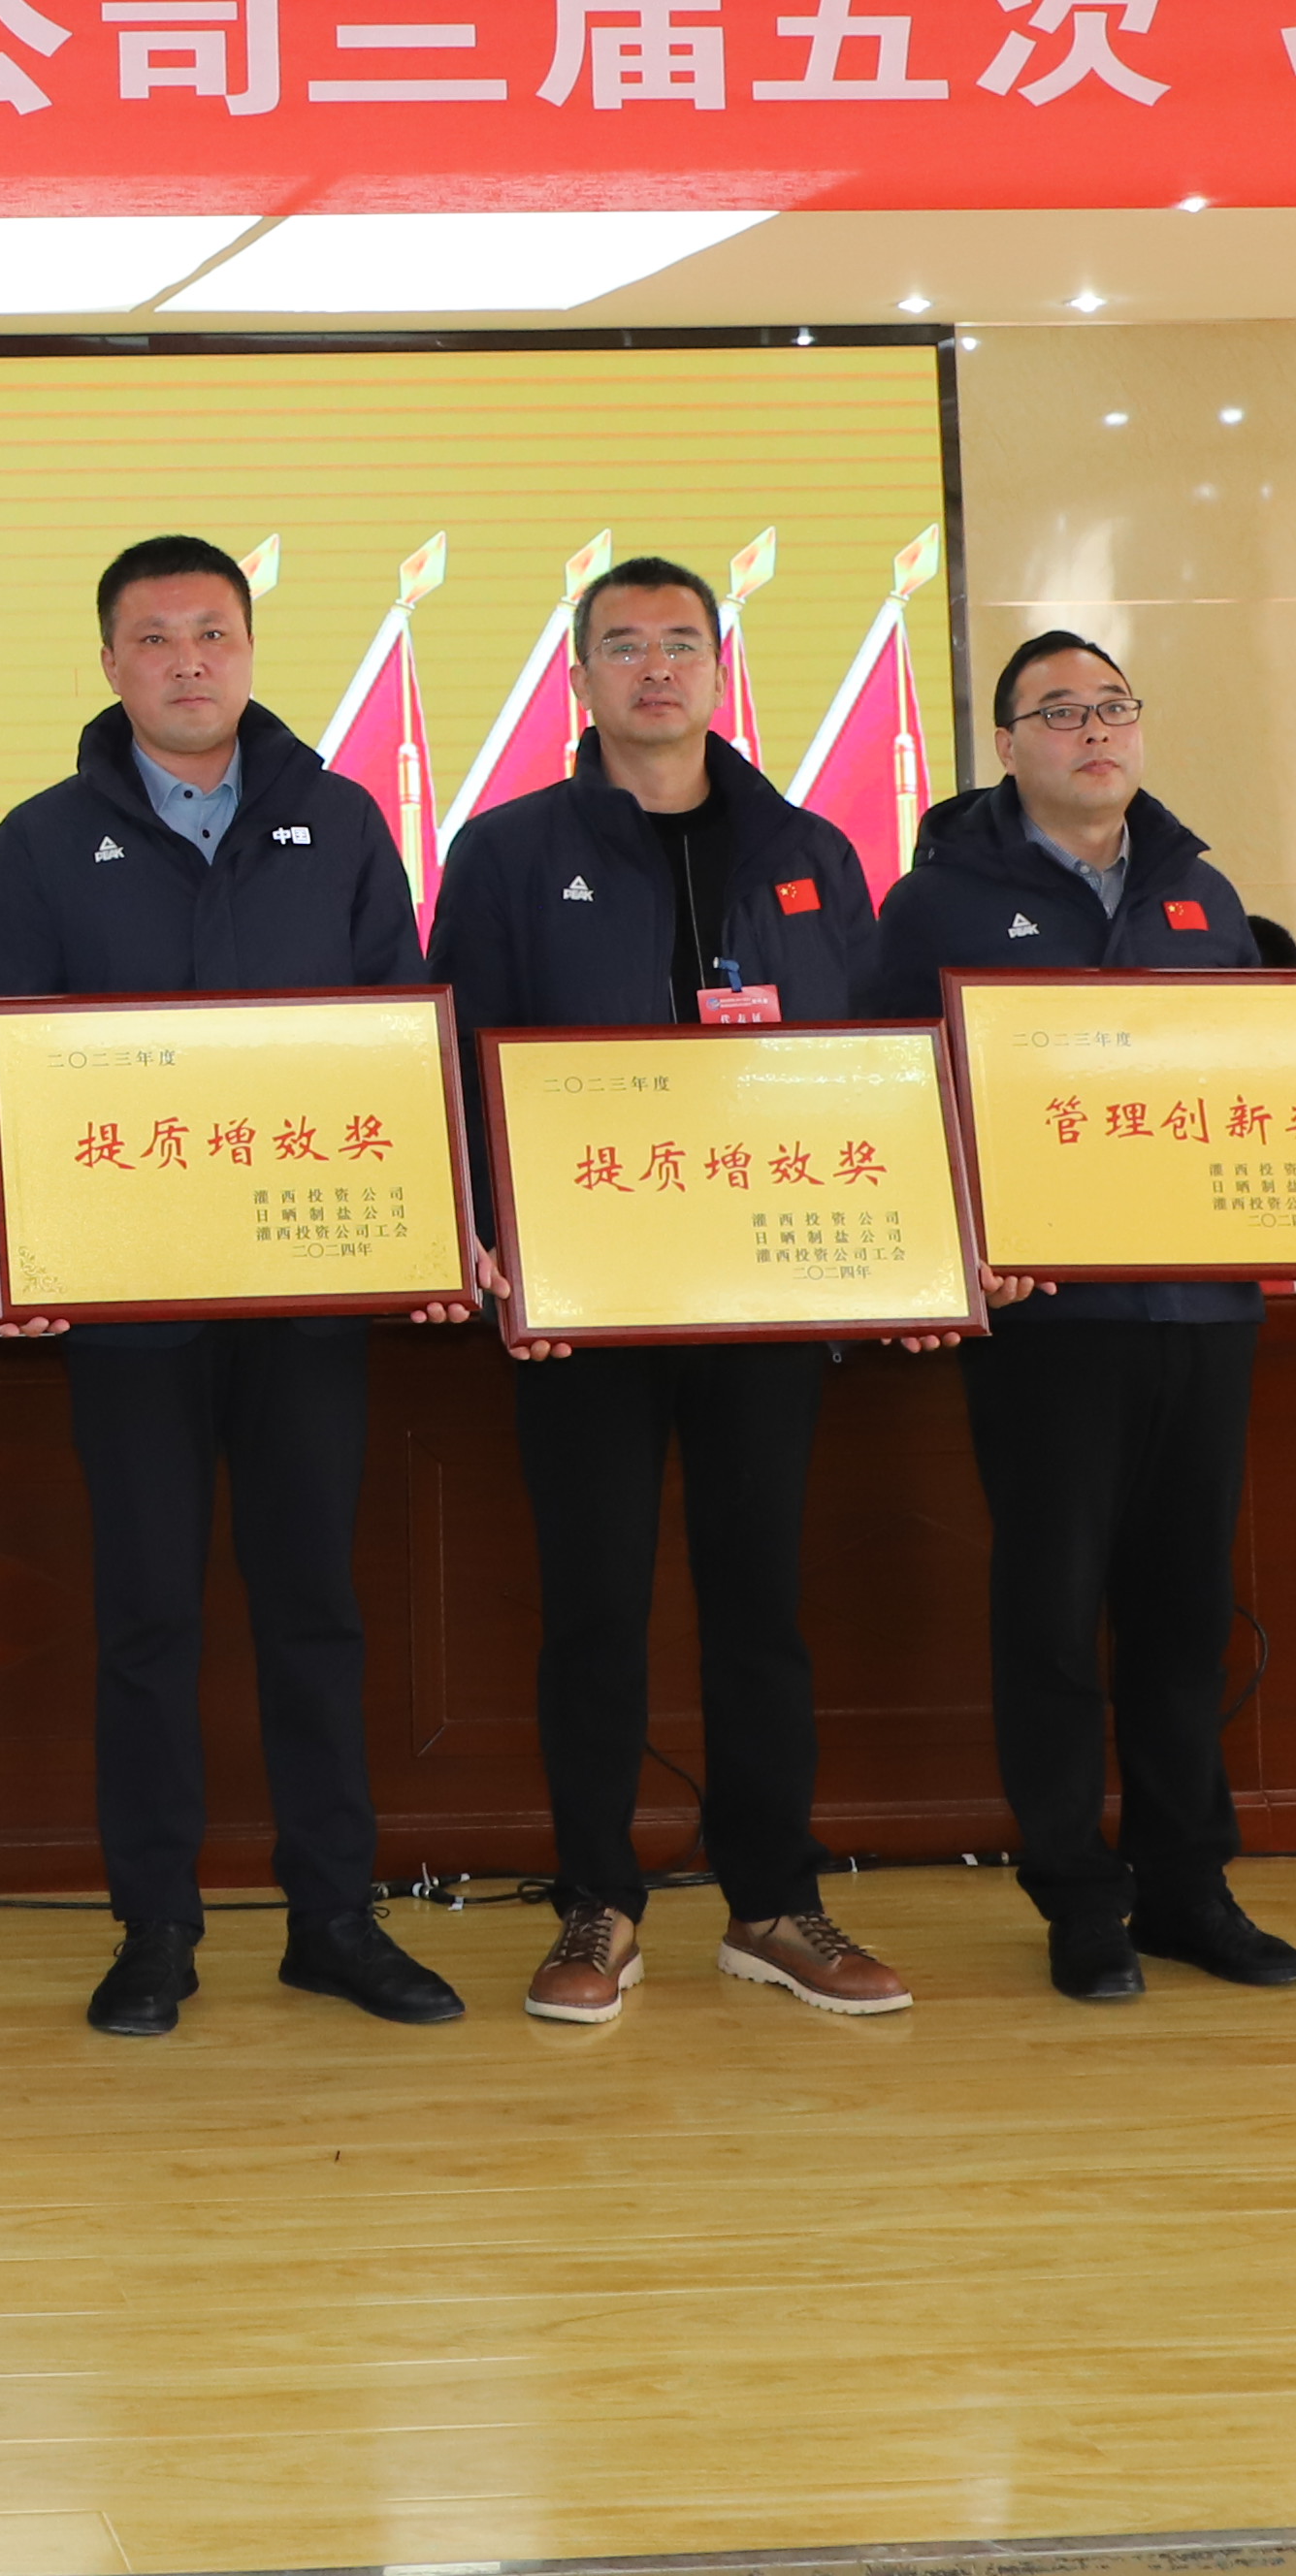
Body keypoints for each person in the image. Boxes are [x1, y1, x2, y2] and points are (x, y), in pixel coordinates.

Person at [0, 533, 466, 2039]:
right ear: (109, 664)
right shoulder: (42, 840)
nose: (188, 662)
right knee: (146, 1618)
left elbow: (401, 1035)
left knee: (316, 1609)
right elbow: (7, 1050)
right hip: (129, 1304)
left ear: (249, 651)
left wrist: (430, 1221)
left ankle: (334, 1918)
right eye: (155, 638)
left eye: (213, 634)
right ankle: (156, 1928)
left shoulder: (342, 820)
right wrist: (17, 1226)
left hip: (309, 1292)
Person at [429, 556, 922, 2028]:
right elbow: (455, 1057)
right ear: (581, 677)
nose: (656, 668)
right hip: (585, 1300)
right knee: (594, 1609)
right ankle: (598, 1905)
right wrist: (485, 1236)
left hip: (765, 1294)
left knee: (761, 1605)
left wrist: (901, 1241)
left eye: (682, 643)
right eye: (625, 645)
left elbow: (868, 1064)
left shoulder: (810, 849)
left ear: (719, 668)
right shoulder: (510, 851)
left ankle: (774, 1904)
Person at [859, 630, 1296, 2005]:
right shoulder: (935, 903)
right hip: (1049, 1322)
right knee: (1054, 1616)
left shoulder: (1202, 893)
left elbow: (1259, 1085)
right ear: (1006, 744)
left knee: (1185, 1613)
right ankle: (1077, 1897)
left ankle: (1189, 1888)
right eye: (1058, 713)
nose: (1093, 731)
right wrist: (957, 1245)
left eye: (1112, 706)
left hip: (1204, 1310)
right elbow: (887, 1096)